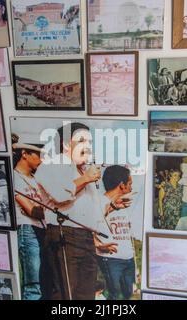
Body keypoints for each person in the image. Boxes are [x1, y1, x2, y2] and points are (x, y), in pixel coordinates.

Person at [34, 122, 108, 300]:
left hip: (86, 238)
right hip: (63, 235)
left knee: (86, 294)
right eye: (82, 140)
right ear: (67, 144)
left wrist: (97, 238)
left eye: (90, 142)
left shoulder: (82, 171)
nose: (88, 146)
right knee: (65, 294)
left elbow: (93, 210)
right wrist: (86, 178)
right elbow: (60, 195)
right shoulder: (52, 164)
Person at [96, 165, 137, 300]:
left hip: (128, 259)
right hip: (111, 259)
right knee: (115, 297)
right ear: (121, 185)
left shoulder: (123, 203)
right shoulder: (99, 201)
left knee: (128, 296)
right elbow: (91, 224)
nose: (131, 187)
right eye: (129, 183)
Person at [13, 141, 47, 300]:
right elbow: (31, 210)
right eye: (38, 155)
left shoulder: (37, 179)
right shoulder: (14, 177)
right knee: (33, 283)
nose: (41, 159)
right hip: (27, 229)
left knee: (44, 281)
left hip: (43, 230)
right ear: (24, 154)